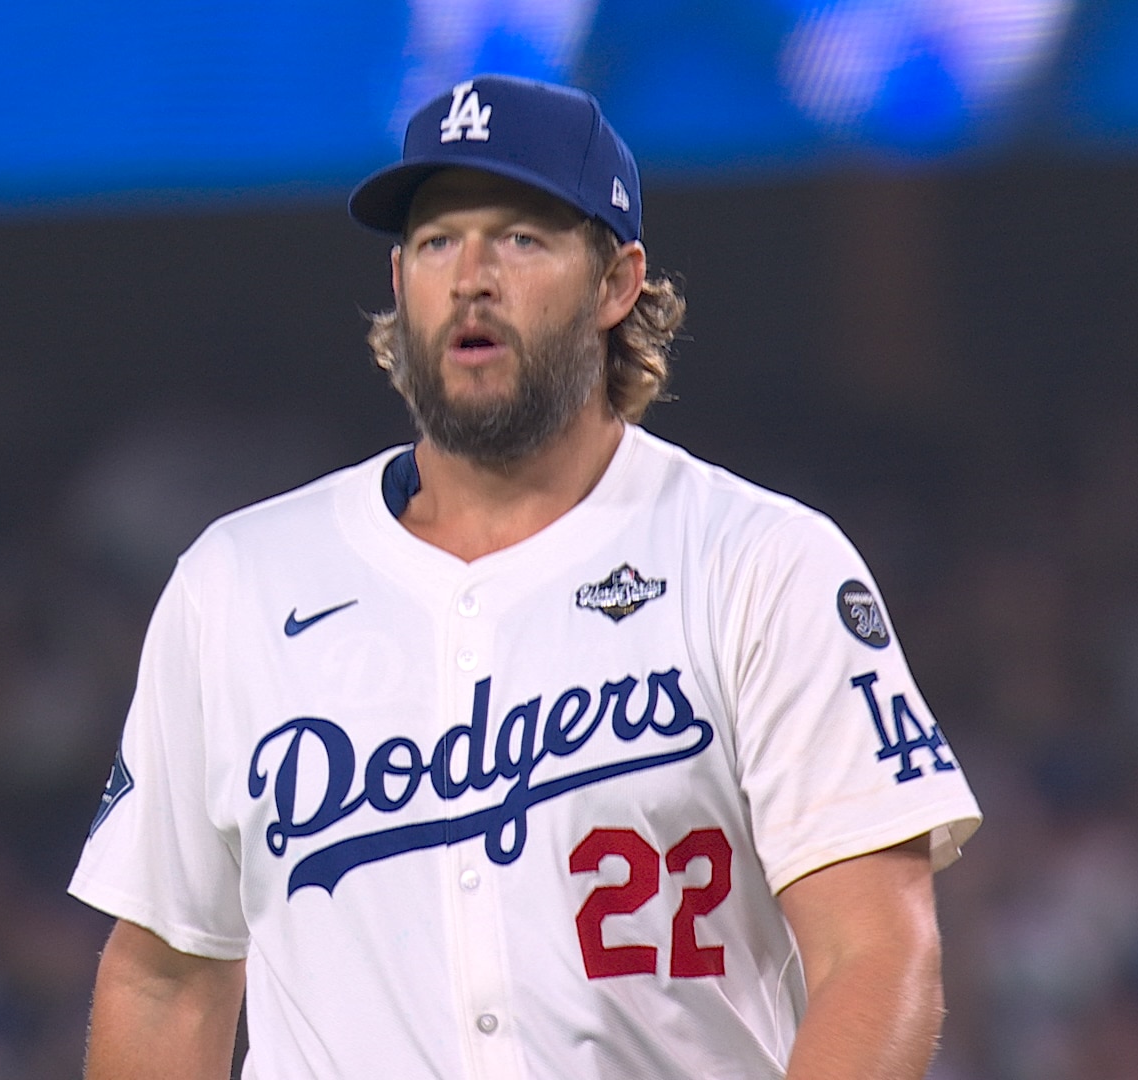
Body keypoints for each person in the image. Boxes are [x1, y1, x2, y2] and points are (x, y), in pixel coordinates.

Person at [71, 73, 981, 1080]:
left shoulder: (758, 562)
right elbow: (163, 980)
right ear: (399, 282)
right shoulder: (238, 584)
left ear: (616, 282)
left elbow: (878, 950)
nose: (470, 275)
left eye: (520, 238)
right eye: (435, 241)